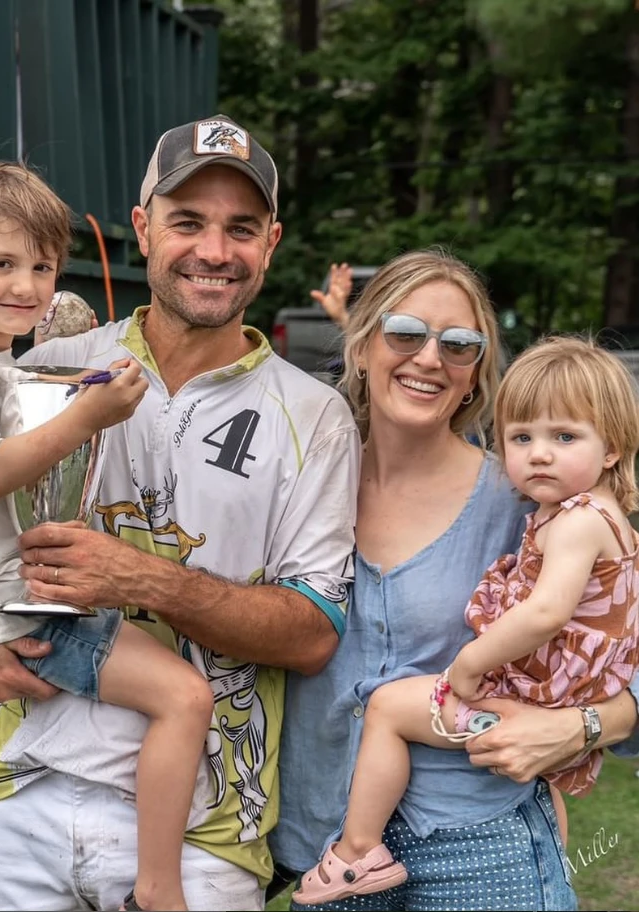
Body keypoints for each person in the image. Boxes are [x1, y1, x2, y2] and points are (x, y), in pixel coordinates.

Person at [0, 115, 360, 912]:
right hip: (17, 792)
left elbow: (314, 634)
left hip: (199, 834)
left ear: (273, 242)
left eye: (241, 229)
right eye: (187, 222)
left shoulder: (315, 416)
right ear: (144, 228)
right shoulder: (43, 369)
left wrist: (146, 579)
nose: (214, 250)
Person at [272, 250, 639, 912]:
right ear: (360, 346)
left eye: (458, 343)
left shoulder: (527, 498)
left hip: (477, 839)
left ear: (474, 372)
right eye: (404, 332)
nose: (428, 357)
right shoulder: (297, 483)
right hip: (327, 843)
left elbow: (618, 631)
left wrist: (583, 725)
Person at [0, 160, 221, 912]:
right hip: (16, 606)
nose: (26, 285)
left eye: (42, 266)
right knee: (184, 698)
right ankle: (159, 887)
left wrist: (76, 395)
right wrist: (88, 418)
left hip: (12, 591)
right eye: (2, 264)